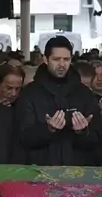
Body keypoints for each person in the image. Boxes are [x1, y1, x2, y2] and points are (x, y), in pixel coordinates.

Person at [16, 36, 101, 165]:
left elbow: (96, 139)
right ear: (46, 59)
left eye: (66, 59)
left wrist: (83, 132)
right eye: (56, 59)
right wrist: (48, 129)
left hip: (77, 171)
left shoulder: (84, 93)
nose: (62, 64)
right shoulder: (29, 93)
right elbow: (23, 138)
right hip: (40, 169)